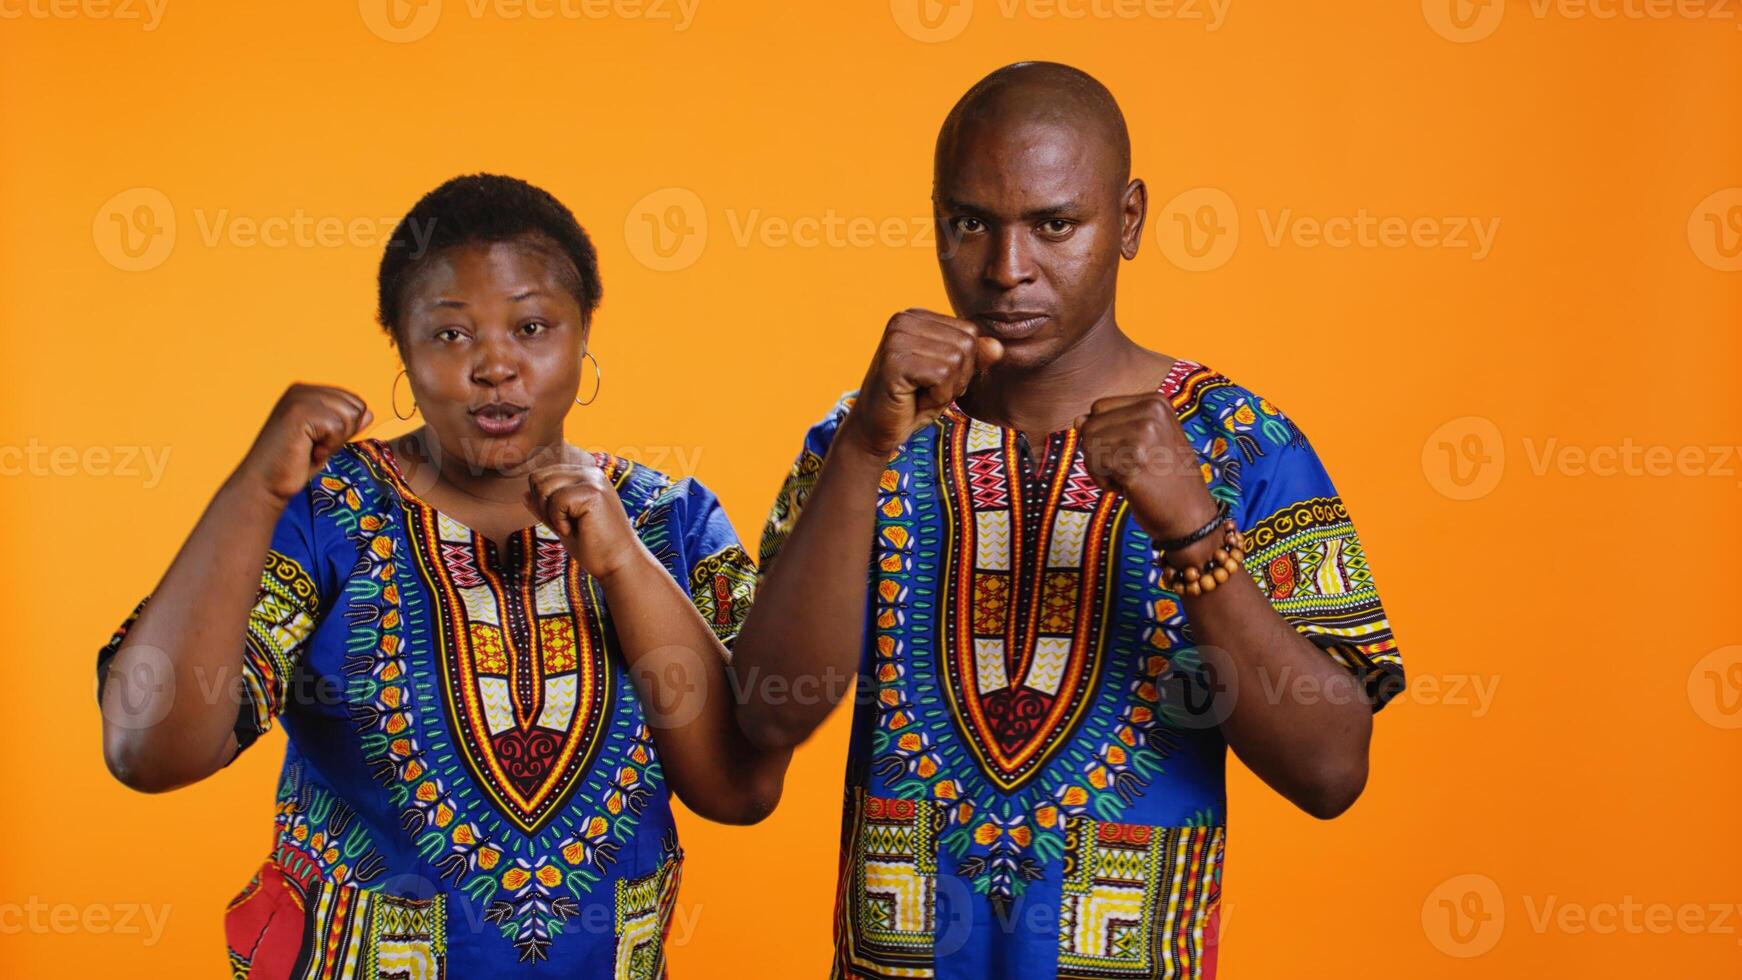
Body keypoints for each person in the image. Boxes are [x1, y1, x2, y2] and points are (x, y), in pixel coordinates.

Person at [730, 63, 1404, 979]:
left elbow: (1332, 773)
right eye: (972, 223)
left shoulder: (1240, 441)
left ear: (1127, 221)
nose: (1008, 270)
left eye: (1054, 225)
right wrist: (859, 453)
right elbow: (766, 713)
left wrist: (1193, 527)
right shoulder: (864, 437)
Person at [95, 173, 789, 976]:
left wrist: (622, 561)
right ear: (400, 342)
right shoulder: (325, 514)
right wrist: (254, 490)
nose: (495, 365)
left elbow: (742, 791)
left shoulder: (668, 520)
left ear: (583, 333)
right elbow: (149, 751)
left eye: (532, 326)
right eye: (451, 335)